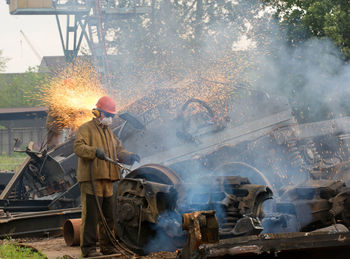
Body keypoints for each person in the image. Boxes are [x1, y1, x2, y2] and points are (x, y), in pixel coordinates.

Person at [74, 95, 140, 257]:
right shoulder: (85, 129)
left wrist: (130, 156)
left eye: (112, 116)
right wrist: (93, 151)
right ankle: (88, 249)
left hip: (108, 179)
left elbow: (118, 151)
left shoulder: (109, 133)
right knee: (91, 216)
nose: (110, 119)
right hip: (91, 180)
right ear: (98, 113)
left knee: (109, 217)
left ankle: (107, 246)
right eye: (108, 115)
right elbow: (78, 148)